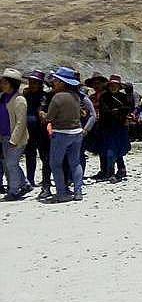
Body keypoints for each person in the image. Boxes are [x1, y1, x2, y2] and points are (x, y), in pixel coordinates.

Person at [40, 67, 85, 203]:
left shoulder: (57, 97)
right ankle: (78, 192)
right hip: (77, 132)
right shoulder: (76, 96)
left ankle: (61, 193)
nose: (53, 82)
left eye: (56, 80)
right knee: (75, 163)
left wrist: (42, 114)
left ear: (62, 82)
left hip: (61, 134)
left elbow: (49, 118)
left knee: (55, 164)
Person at [22, 70, 53, 199]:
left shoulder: (44, 96)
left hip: (41, 131)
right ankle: (30, 179)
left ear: (40, 84)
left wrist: (41, 112)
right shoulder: (26, 95)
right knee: (30, 155)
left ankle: (46, 181)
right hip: (28, 130)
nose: (32, 84)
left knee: (45, 156)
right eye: (31, 82)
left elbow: (43, 109)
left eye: (35, 82)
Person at [0, 69, 29, 201]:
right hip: (4, 136)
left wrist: (14, 140)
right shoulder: (3, 97)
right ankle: (25, 184)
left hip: (16, 138)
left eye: (5, 83)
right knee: (10, 164)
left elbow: (21, 122)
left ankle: (14, 191)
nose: (2, 85)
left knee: (11, 164)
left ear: (12, 84)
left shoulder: (19, 100)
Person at [98, 74, 133, 183]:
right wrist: (118, 111)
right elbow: (105, 111)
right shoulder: (104, 97)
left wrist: (117, 111)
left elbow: (128, 108)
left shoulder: (123, 97)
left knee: (119, 149)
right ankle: (111, 172)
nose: (113, 87)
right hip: (108, 127)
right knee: (110, 150)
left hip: (120, 127)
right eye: (111, 85)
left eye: (115, 85)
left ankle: (121, 169)